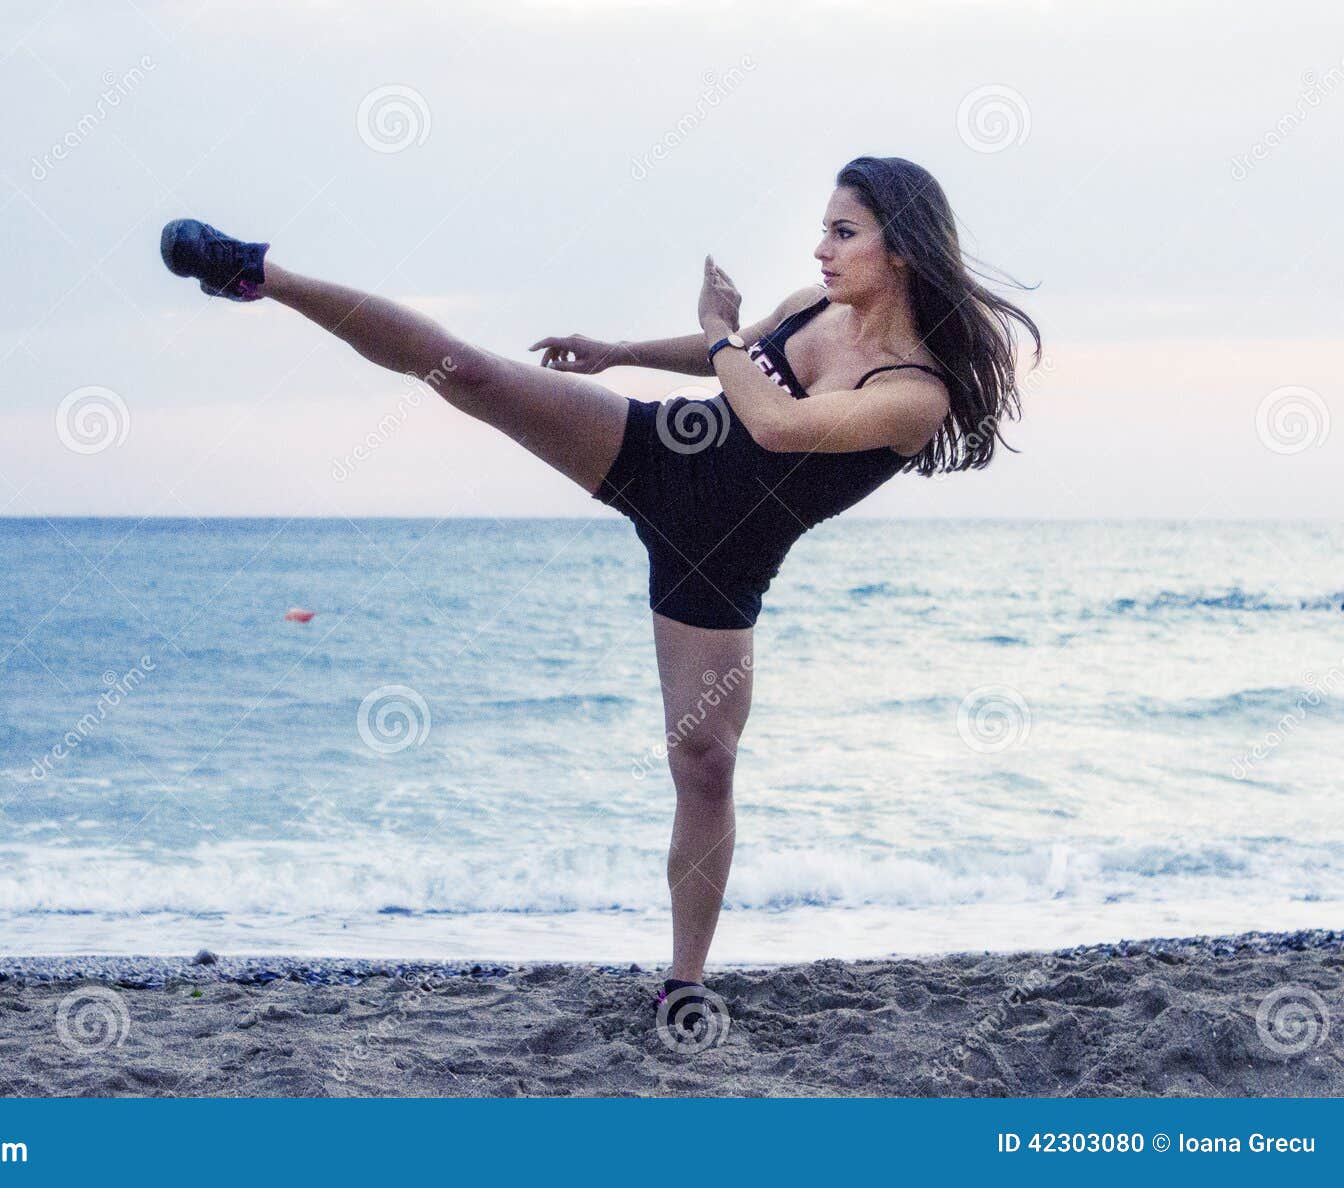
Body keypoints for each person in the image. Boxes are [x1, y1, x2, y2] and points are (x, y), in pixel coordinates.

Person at [158, 155, 1042, 1038]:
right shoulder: (817, 306)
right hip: (656, 451)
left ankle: (684, 980)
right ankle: (257, 273)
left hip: (722, 568)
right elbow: (722, 363)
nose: (819, 249)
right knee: (465, 371)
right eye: (822, 228)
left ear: (904, 248)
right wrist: (624, 353)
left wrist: (723, 328)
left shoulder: (912, 393)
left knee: (706, 765)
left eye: (843, 232)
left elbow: (776, 426)